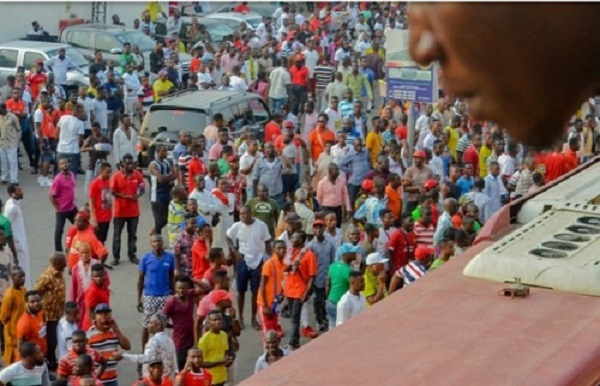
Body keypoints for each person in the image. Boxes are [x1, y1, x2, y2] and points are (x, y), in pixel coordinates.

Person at [226, 206, 272, 330]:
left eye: (245, 214)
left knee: (255, 292)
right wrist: (234, 251)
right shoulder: (237, 226)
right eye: (240, 214)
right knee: (240, 291)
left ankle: (253, 318)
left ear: (251, 213)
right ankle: (240, 318)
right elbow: (228, 237)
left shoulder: (261, 225)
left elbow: (267, 241)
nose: (243, 217)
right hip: (243, 261)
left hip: (258, 261)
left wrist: (272, 258)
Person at [138, 235, 175, 348]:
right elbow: (140, 279)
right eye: (154, 241)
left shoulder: (169, 258)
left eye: (159, 241)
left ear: (162, 242)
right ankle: (143, 350)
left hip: (165, 296)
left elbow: (171, 276)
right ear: (151, 243)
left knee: (162, 325)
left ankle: (161, 349)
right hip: (150, 296)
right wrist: (139, 299)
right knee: (146, 325)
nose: (156, 243)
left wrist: (173, 293)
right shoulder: (145, 258)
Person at [284, 231, 318, 349]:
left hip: (300, 290)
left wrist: (307, 292)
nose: (293, 240)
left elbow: (312, 276)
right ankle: (296, 341)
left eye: (296, 238)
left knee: (295, 317)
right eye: (292, 238)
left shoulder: (309, 255)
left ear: (302, 241)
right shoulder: (289, 252)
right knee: (293, 317)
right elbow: (285, 269)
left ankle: (292, 342)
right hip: (289, 289)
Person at [119, 313, 177, 380]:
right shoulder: (170, 340)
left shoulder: (154, 341)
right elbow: (175, 365)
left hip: (156, 380)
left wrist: (124, 355)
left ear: (158, 326)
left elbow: (145, 358)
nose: (148, 325)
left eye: (151, 323)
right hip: (168, 380)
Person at [33, 252, 66, 370]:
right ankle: (47, 363)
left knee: (55, 340)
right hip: (48, 315)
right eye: (63, 261)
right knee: (50, 341)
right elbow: (35, 292)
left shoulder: (59, 273)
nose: (66, 263)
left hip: (57, 314)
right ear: (57, 263)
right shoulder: (47, 277)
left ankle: (52, 359)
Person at [111, 153, 145, 265]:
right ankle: (116, 257)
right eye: (128, 163)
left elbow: (142, 187)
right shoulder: (116, 176)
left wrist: (138, 194)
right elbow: (112, 191)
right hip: (119, 211)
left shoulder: (137, 175)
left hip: (133, 211)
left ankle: (132, 255)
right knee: (117, 235)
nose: (131, 166)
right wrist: (124, 196)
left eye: (132, 163)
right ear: (122, 164)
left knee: (132, 235)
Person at [87, 303, 132, 385]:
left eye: (106, 313)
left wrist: (117, 330)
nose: (104, 316)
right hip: (98, 379)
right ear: (95, 317)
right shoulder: (90, 334)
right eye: (100, 314)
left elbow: (128, 346)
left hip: (112, 379)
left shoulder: (114, 331)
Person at [163, 276, 198, 372]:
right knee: (180, 370)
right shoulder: (172, 302)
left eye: (184, 288)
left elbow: (206, 288)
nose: (181, 290)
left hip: (192, 340)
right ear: (175, 288)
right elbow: (162, 318)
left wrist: (192, 279)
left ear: (188, 288)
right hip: (179, 343)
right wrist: (172, 326)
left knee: (193, 368)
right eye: (179, 288)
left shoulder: (190, 295)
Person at [308, 219, 336, 332]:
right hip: (316, 278)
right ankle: (319, 320)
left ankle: (326, 317)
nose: (318, 229)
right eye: (316, 227)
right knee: (318, 300)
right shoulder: (311, 245)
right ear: (313, 230)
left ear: (324, 228)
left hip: (328, 276)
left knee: (327, 299)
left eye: (320, 227)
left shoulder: (330, 243)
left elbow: (333, 260)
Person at [257, 240, 286, 338]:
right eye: (279, 248)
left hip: (275, 303)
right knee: (267, 331)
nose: (282, 251)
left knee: (274, 329)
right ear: (274, 250)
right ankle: (267, 351)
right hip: (266, 302)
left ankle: (274, 351)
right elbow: (262, 284)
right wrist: (265, 305)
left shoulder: (283, 264)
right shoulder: (269, 264)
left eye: (284, 248)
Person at [197, 310, 233, 386]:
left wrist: (228, 360)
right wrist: (220, 362)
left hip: (222, 377)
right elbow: (200, 363)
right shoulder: (204, 340)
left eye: (220, 319)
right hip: (210, 380)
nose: (218, 322)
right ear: (209, 322)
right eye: (214, 320)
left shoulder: (224, 335)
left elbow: (224, 354)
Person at [0, 267, 26, 364]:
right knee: (14, 358)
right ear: (12, 278)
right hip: (13, 330)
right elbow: (3, 316)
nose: (22, 279)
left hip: (23, 328)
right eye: (19, 277)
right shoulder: (9, 294)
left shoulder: (23, 290)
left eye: (24, 276)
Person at [150, 145, 176, 237]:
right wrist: (169, 176)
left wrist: (168, 177)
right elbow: (160, 179)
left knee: (168, 217)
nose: (166, 153)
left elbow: (174, 175)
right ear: (157, 152)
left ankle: (155, 230)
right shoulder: (154, 164)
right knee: (159, 219)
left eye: (166, 151)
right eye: (163, 151)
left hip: (166, 193)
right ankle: (157, 237)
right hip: (156, 196)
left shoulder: (167, 162)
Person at [316, 163, 351, 229]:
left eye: (338, 170)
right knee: (327, 227)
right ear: (329, 171)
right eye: (335, 170)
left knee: (338, 227)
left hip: (338, 208)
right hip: (326, 208)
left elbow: (345, 195)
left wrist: (348, 208)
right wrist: (319, 211)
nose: (338, 172)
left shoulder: (342, 181)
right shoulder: (322, 183)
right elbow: (319, 198)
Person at [16, 290, 47, 356]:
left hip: (42, 356)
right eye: (32, 302)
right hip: (31, 359)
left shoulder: (41, 313)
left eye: (38, 301)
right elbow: (20, 348)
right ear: (26, 303)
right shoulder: (24, 323)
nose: (36, 303)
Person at [89, 162, 113, 244]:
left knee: (103, 239)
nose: (109, 174)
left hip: (107, 216)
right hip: (98, 217)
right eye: (107, 172)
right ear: (101, 171)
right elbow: (91, 201)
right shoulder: (94, 184)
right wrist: (93, 217)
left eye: (110, 171)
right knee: (96, 240)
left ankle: (101, 255)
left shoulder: (110, 181)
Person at [0, 102, 20, 184]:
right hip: (2, 142)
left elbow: (18, 129)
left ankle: (14, 179)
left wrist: (17, 140)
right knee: (3, 162)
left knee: (13, 162)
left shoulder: (12, 117)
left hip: (12, 142)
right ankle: (5, 178)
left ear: (4, 108)